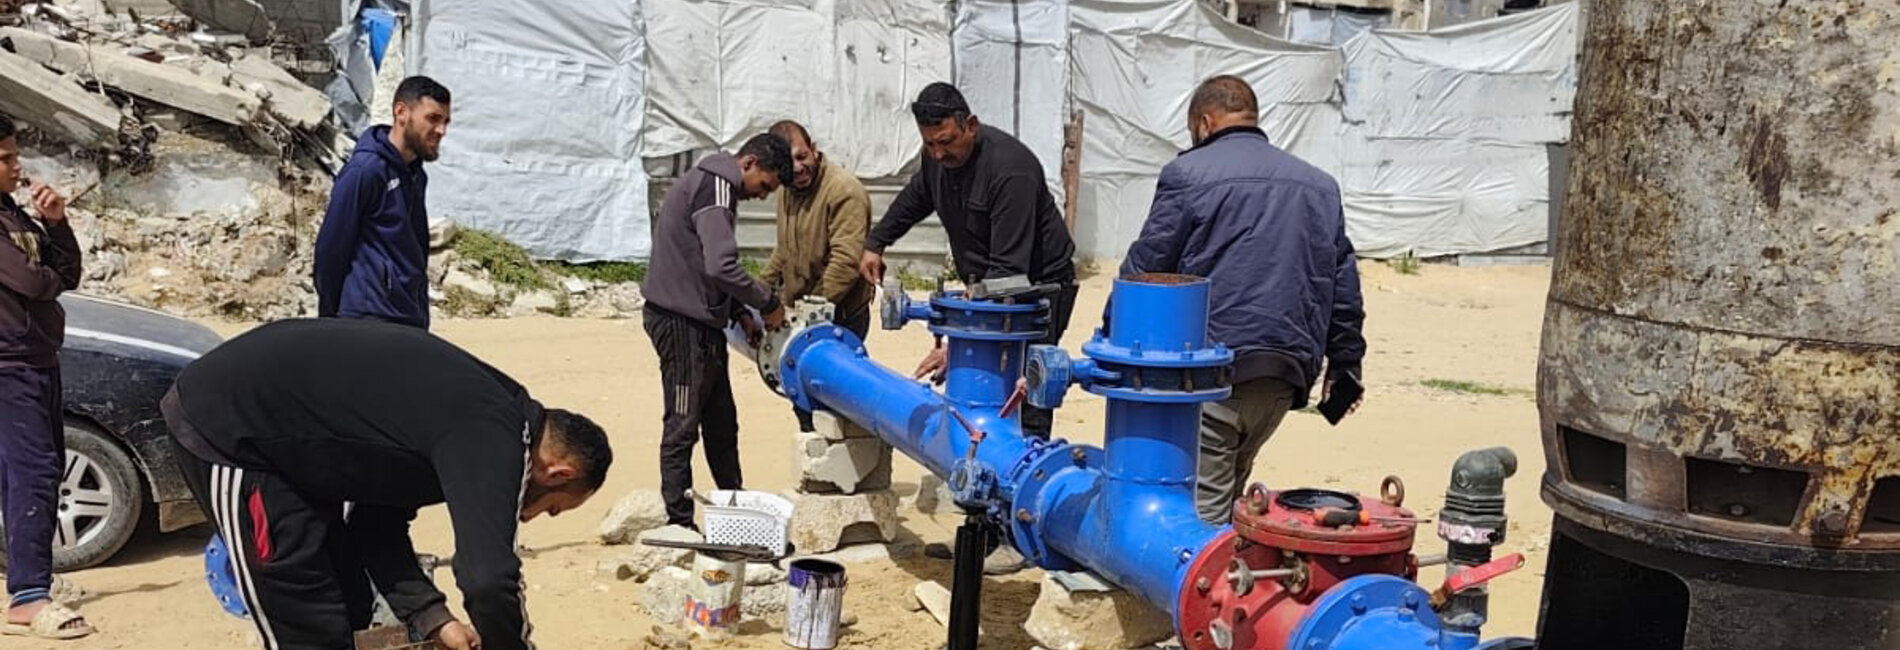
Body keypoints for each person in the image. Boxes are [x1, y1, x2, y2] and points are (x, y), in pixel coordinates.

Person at [160, 318, 612, 650]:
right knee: (303, 622)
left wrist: (432, 618)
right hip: (234, 426)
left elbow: (375, 527)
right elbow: (488, 578)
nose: (532, 517)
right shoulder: (497, 436)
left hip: (299, 449)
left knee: (349, 602)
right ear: (557, 473)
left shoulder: (486, 421)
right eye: (553, 508)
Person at [1117, 76, 1366, 525]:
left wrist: (1113, 332)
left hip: (1212, 374)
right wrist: (1346, 364)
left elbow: (1147, 268)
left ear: (1204, 122)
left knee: (1198, 522)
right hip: (1283, 376)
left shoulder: (1187, 174)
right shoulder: (1320, 186)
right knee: (1230, 498)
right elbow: (1343, 284)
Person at [857, 82, 1079, 441]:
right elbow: (915, 198)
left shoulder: (1011, 170)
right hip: (987, 284)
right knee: (982, 387)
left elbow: (1008, 271)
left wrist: (961, 347)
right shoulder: (936, 160)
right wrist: (876, 243)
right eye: (929, 144)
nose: (938, 153)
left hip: (1038, 288)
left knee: (1026, 388)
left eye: (946, 142)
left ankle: (1026, 460)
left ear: (970, 125)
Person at [641, 132, 793, 529]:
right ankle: (679, 522)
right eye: (765, 185)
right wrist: (768, 304)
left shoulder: (713, 183)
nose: (762, 196)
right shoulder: (717, 188)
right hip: (680, 321)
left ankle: (735, 508)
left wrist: (739, 311)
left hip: (701, 321)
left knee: (721, 422)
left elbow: (703, 263)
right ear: (749, 163)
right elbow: (721, 266)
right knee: (683, 422)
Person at [0, 114, 92, 640]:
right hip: (9, 364)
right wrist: (47, 276)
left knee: (32, 471)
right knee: (34, 471)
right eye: (5, 158)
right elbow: (34, 283)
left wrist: (55, 223)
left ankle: (29, 578)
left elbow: (65, 275)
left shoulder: (13, 214)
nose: (18, 167)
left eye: (15, 155)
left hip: (36, 358)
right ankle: (29, 597)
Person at [314, 76, 453, 329]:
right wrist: (330, 320)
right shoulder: (365, 171)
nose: (441, 131)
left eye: (445, 121)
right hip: (368, 320)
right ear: (401, 112)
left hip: (409, 318)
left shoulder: (416, 175)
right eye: (433, 118)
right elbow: (331, 249)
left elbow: (413, 251)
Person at [757, 120, 876, 341]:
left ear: (813, 149)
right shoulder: (787, 189)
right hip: (803, 314)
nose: (797, 168)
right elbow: (784, 249)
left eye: (802, 156)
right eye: (788, 163)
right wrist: (759, 290)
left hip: (839, 318)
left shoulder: (844, 191)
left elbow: (846, 263)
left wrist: (807, 314)